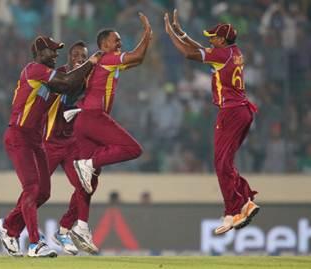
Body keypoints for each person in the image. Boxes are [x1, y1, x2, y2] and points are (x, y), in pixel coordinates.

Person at [0, 35, 101, 257]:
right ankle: (34, 244)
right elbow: (68, 82)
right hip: (18, 136)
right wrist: (90, 62)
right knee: (32, 188)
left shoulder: (47, 78)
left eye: (56, 50)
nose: (55, 54)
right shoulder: (34, 70)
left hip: (35, 139)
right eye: (52, 51)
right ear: (40, 53)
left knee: (43, 193)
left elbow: (72, 87)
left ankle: (7, 227)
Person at [164, 10, 260, 235]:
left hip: (231, 112)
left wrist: (171, 34)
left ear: (223, 39)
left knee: (221, 165)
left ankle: (232, 212)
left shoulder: (221, 54)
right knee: (226, 163)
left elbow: (190, 54)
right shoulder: (233, 52)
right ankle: (245, 202)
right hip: (244, 111)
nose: (211, 40)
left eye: (214, 37)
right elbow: (205, 51)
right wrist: (183, 34)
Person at [68, 12, 152, 250]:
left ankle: (81, 227)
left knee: (87, 184)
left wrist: (144, 43)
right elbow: (137, 55)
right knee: (133, 149)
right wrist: (147, 34)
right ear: (104, 44)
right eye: (116, 40)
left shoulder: (104, 62)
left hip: (83, 122)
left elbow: (138, 60)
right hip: (94, 118)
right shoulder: (108, 58)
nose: (120, 43)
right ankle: (89, 164)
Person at [43, 41, 94, 255]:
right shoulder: (58, 75)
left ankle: (64, 229)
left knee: (85, 185)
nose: (80, 58)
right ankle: (11, 227)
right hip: (50, 142)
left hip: (72, 143)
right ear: (69, 58)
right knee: (36, 191)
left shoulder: (90, 79)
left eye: (83, 56)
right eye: (75, 55)